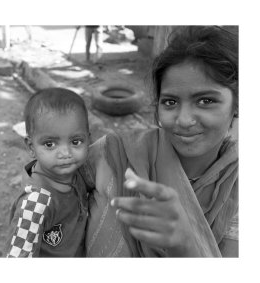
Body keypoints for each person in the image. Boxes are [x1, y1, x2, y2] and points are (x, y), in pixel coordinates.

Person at [83, 26, 238, 257]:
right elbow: (51, 184)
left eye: (206, 100)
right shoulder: (113, 152)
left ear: (236, 105)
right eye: (170, 102)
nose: (184, 120)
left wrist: (187, 245)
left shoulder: (239, 186)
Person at [6, 88, 90, 257]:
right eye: (50, 144)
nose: (66, 153)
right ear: (31, 147)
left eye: (76, 141)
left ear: (89, 139)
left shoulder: (78, 171)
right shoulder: (36, 203)